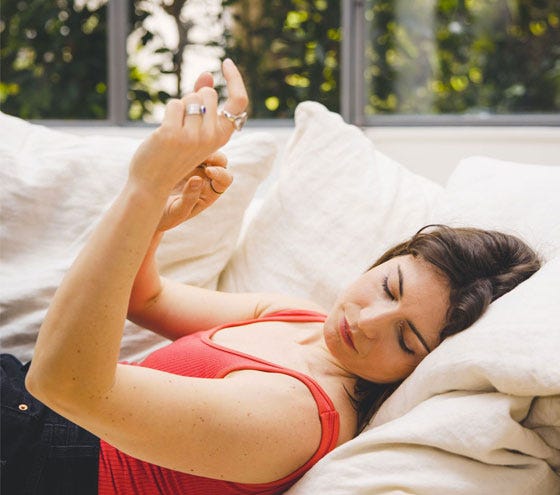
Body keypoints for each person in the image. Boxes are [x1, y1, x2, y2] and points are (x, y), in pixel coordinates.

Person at [1, 59, 541, 495]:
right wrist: (159, 220)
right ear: (382, 261)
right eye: (389, 287)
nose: (368, 321)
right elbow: (147, 298)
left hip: (37, 456)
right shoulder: (301, 320)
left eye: (405, 337)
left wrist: (143, 190)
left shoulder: (297, 417)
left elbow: (64, 384)